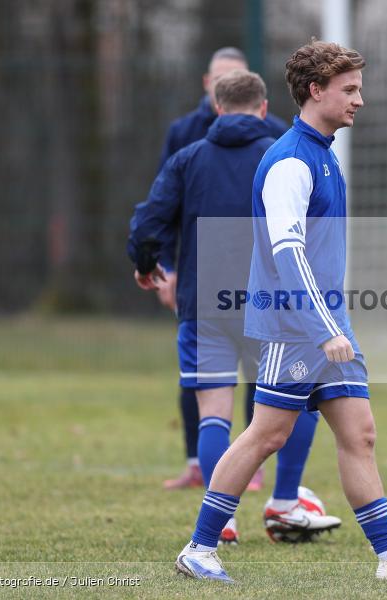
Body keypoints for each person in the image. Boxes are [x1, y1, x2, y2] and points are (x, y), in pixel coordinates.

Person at [174, 40, 387, 582]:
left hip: (327, 324)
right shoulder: (289, 161)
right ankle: (199, 549)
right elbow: (289, 253)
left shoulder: (323, 154)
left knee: (360, 434)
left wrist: (333, 323)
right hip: (295, 326)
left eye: (359, 89)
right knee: (266, 435)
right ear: (315, 90)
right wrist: (324, 328)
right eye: (349, 90)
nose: (359, 100)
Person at [129, 69, 339, 545]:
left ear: (217, 108)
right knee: (295, 402)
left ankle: (222, 520)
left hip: (204, 305)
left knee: (213, 414)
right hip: (272, 305)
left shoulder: (188, 157)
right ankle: (284, 502)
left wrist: (146, 263)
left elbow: (148, 222)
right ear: (263, 109)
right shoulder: (283, 156)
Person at [157, 47, 289, 491]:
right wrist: (166, 266)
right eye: (221, 78)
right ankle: (198, 464)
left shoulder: (276, 137)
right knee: (199, 380)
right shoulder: (184, 135)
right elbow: (166, 205)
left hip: (246, 284)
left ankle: (247, 471)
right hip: (205, 279)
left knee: (249, 379)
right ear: (208, 86)